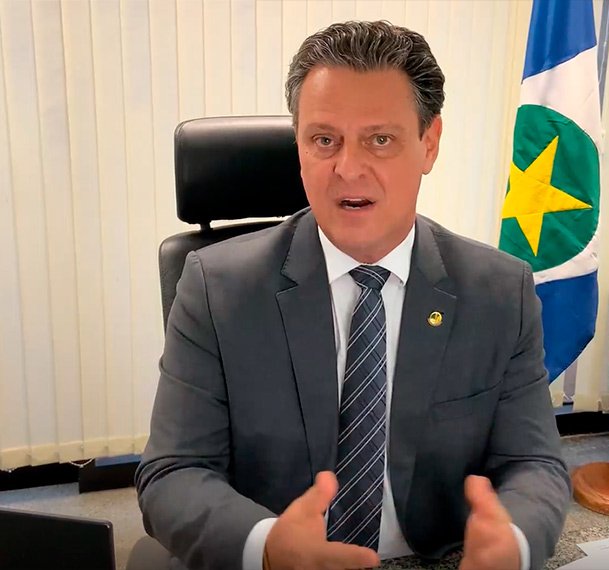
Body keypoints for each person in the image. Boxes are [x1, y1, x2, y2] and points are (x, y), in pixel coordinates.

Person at [134, 20, 570, 570]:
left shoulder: (500, 292)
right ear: (299, 147)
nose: (348, 168)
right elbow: (173, 472)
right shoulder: (217, 288)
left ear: (429, 143)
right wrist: (265, 545)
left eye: (379, 140)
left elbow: (534, 463)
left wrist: (514, 541)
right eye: (325, 140)